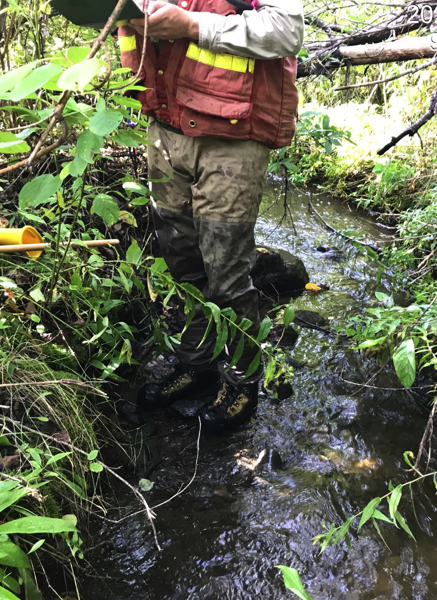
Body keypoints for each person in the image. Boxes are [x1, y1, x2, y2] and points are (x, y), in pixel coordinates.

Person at [117, 0, 304, 431]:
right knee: (181, 257)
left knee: (226, 268)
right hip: (164, 126)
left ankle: (241, 381)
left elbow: (286, 30)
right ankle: (197, 363)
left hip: (233, 139)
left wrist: (190, 24)